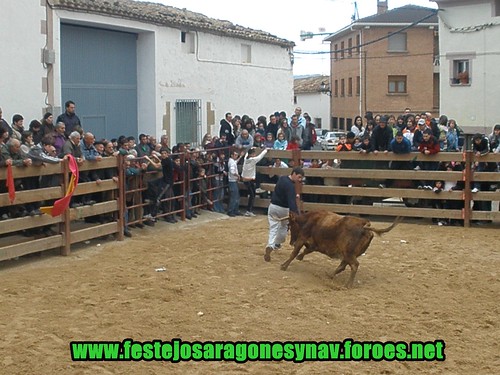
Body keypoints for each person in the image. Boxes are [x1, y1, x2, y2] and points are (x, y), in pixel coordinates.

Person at [264, 167, 304, 262]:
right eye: (299, 177)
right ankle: (277, 243)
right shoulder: (290, 186)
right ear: (294, 173)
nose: (300, 180)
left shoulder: (282, 179)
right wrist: (297, 214)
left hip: (273, 206)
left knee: (273, 228)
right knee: (283, 227)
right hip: (283, 209)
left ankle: (270, 245)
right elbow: (291, 202)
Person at [241, 147, 268, 216]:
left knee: (252, 195)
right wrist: (265, 150)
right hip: (249, 180)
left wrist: (251, 148)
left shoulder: (246, 159)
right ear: (252, 154)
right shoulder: (252, 160)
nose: (255, 155)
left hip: (246, 179)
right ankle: (248, 210)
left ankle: (249, 210)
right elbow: (260, 157)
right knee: (252, 195)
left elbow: (247, 154)